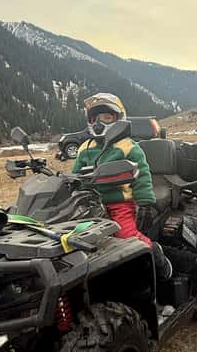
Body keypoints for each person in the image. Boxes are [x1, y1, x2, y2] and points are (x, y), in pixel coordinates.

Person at [72, 93, 172, 282]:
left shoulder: (128, 147)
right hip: (90, 205)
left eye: (107, 117)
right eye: (95, 118)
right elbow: (75, 175)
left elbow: (142, 175)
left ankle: (156, 255)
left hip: (119, 204)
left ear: (119, 119)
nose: (100, 122)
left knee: (126, 236)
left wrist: (145, 204)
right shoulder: (84, 147)